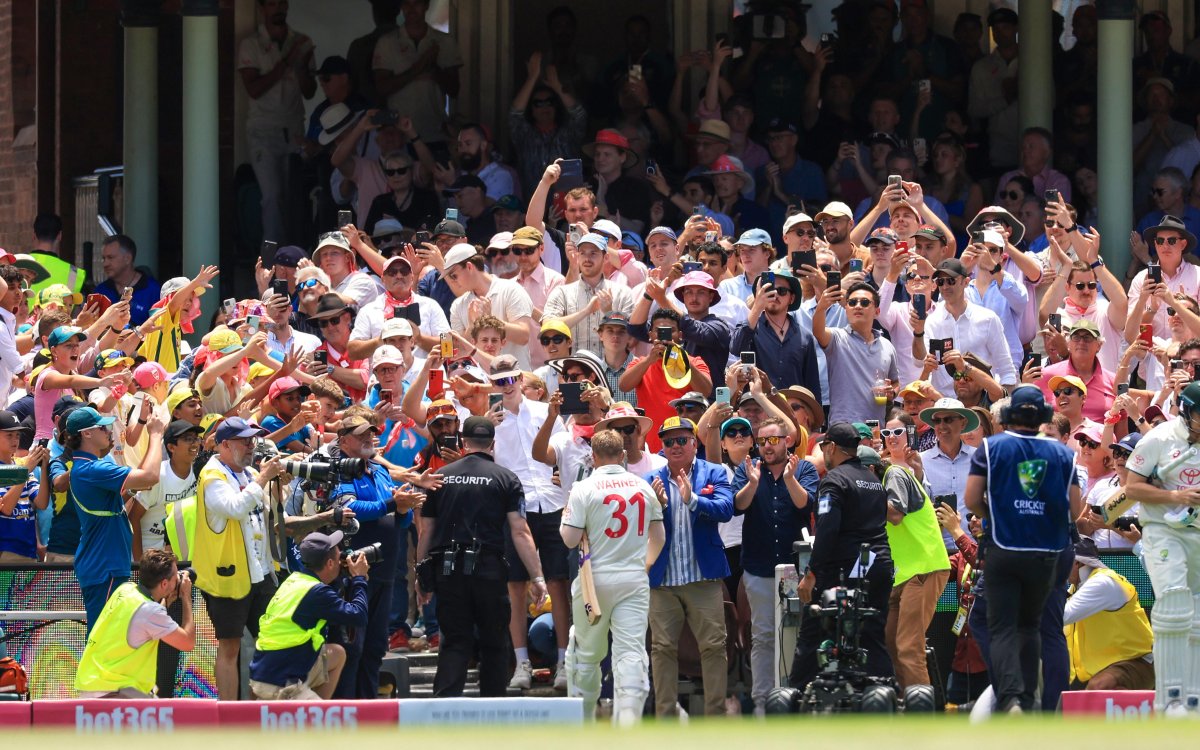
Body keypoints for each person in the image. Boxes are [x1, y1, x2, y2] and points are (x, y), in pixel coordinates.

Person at [964, 385, 1082, 714]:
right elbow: (1074, 509)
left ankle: (1011, 698)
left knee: (1002, 627)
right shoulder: (1063, 453)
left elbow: (972, 499)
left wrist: (1000, 514)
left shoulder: (991, 447)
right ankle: (1031, 702)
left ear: (1009, 415)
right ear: (1043, 416)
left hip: (1004, 549)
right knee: (1033, 627)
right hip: (1046, 554)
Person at [416, 416, 547, 697]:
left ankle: (444, 712)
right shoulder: (506, 478)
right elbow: (520, 531)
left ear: (463, 442)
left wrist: (421, 576)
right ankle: (493, 713)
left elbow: (427, 530)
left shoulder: (440, 477)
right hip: (488, 569)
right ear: (493, 443)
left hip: (448, 570)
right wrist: (537, 576)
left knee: (454, 642)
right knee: (494, 642)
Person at [560, 428, 665, 724]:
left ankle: (586, 719)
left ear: (593, 457)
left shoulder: (583, 488)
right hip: (633, 579)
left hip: (594, 581)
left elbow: (569, 540)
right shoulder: (643, 486)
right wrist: (644, 566)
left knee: (587, 655)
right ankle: (627, 728)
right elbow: (658, 535)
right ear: (622, 456)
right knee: (630, 653)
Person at [790, 423, 893, 690]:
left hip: (847, 569)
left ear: (832, 447)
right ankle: (883, 698)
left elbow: (826, 530)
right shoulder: (873, 481)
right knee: (872, 636)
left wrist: (811, 574)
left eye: (824, 447)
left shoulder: (833, 480)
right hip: (879, 565)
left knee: (813, 632)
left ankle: (795, 704)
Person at [191, 416, 286, 700]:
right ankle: (229, 715)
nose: (251, 446)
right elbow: (235, 508)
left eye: (252, 440)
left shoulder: (245, 473)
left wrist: (276, 483)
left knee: (271, 642)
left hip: (258, 572)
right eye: (244, 441)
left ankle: (263, 709)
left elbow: (265, 514)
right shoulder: (211, 476)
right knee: (230, 646)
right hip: (228, 576)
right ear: (224, 445)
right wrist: (263, 478)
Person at [645, 416, 733, 718]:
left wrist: (693, 499)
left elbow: (726, 509)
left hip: (702, 576)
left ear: (695, 442)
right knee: (661, 649)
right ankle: (665, 719)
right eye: (669, 442)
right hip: (663, 579)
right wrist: (656, 507)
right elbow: (640, 528)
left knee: (713, 646)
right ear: (663, 447)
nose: (676, 446)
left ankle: (715, 718)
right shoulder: (650, 480)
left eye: (682, 439)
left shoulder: (714, 471)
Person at [731, 416, 817, 715]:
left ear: (787, 441)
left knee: (796, 633)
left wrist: (791, 479)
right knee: (764, 635)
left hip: (796, 570)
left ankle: (796, 698)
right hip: (758, 567)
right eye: (763, 441)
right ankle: (762, 703)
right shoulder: (749, 469)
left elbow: (806, 504)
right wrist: (752, 484)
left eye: (774, 440)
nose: (767, 447)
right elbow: (737, 506)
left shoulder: (803, 468)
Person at [1124, 381, 1200, 714]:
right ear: (1186, 409)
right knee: (1173, 601)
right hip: (1163, 531)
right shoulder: (1159, 438)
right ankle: (1169, 701)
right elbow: (1131, 488)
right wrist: (1175, 496)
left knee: (1197, 615)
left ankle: (1193, 700)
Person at [66, 405, 167, 631]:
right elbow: (150, 475)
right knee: (102, 636)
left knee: (109, 634)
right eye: (103, 427)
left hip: (107, 563)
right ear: (86, 433)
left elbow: (143, 482)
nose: (109, 430)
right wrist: (156, 434)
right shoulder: (92, 469)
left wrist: (132, 489)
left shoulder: (89, 467)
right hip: (105, 565)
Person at [248, 530, 370, 700]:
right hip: (281, 684)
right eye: (338, 557)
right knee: (322, 721)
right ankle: (309, 711)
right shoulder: (317, 592)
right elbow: (359, 616)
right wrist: (359, 578)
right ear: (329, 564)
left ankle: (313, 700)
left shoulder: (295, 580)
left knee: (337, 653)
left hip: (266, 672)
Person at [237, 0, 316, 244]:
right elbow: (254, 89)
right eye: (272, 4)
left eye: (282, 4)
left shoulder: (301, 41)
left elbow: (310, 91)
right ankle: (270, 260)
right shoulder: (251, 45)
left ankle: (294, 255)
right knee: (271, 196)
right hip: (264, 130)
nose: (278, 9)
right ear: (262, 8)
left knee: (294, 195)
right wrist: (286, 62)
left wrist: (301, 65)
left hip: (293, 128)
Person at [880, 427, 951, 692]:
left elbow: (896, 513)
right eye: (887, 432)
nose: (892, 435)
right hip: (905, 572)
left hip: (925, 567)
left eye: (898, 430)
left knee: (909, 647)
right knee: (891, 643)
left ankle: (923, 717)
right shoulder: (893, 473)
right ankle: (906, 709)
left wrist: (861, 501)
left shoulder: (895, 473)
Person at [73, 549, 196, 698]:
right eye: (175, 577)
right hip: (113, 692)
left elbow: (148, 620)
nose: (178, 579)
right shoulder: (150, 612)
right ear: (164, 583)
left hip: (95, 686)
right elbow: (188, 642)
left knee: (159, 714)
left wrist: (167, 600)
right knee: (162, 717)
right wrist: (185, 596)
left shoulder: (126, 589)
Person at [1064, 538, 1155, 691]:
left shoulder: (1103, 582)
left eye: (1062, 561)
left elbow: (1061, 616)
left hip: (1136, 663)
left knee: (1100, 687)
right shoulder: (1074, 589)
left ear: (1078, 562)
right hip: (1095, 670)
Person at [372, 0, 462, 145]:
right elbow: (382, 88)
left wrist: (433, 68)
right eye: (406, 3)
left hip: (436, 133)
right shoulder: (386, 43)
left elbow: (454, 90)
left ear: (426, 5)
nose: (411, 8)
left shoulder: (445, 41)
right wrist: (419, 66)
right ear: (401, 6)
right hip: (399, 137)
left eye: (417, 3)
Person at [94, 235, 161, 326]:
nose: (105, 263)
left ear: (127, 258)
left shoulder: (153, 290)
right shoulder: (100, 291)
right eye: (103, 258)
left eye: (110, 257)